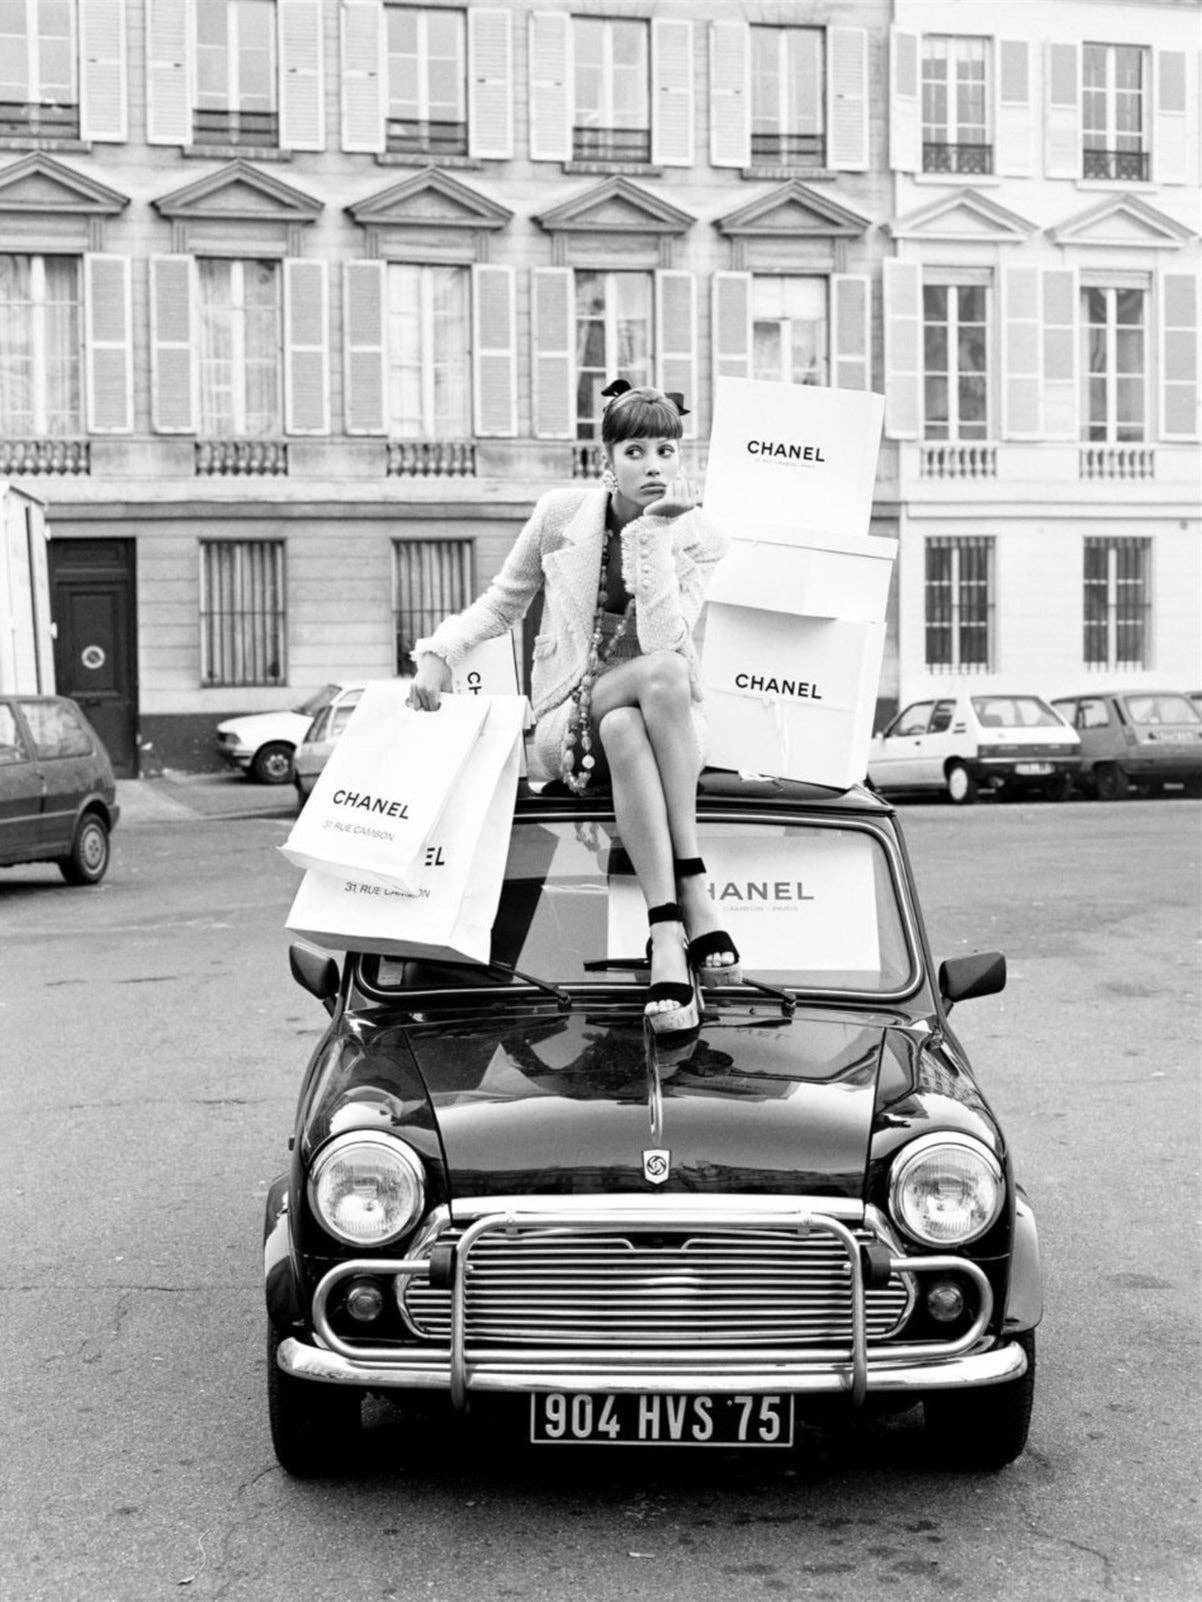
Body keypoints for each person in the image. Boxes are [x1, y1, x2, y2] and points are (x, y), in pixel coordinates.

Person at [408, 381, 740, 1036]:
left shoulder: (701, 537)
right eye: (635, 451)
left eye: (666, 450)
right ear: (606, 461)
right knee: (663, 677)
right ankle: (695, 882)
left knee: (630, 721)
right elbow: (502, 602)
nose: (653, 465)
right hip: (567, 716)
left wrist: (654, 535)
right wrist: (440, 652)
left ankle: (665, 930)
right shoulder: (560, 516)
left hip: (660, 721)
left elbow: (663, 636)